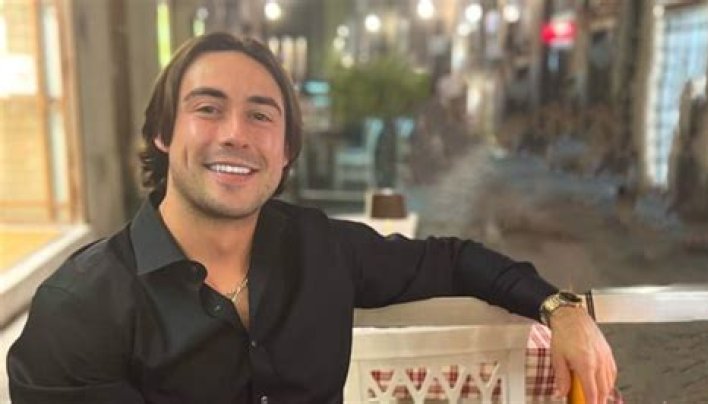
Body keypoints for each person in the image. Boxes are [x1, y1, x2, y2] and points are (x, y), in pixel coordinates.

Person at [7, 32, 616, 404]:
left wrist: (560, 309)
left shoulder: (320, 249)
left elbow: (453, 260)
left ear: (285, 152)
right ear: (163, 134)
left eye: (261, 115)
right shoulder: (80, 310)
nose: (235, 134)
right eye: (208, 108)